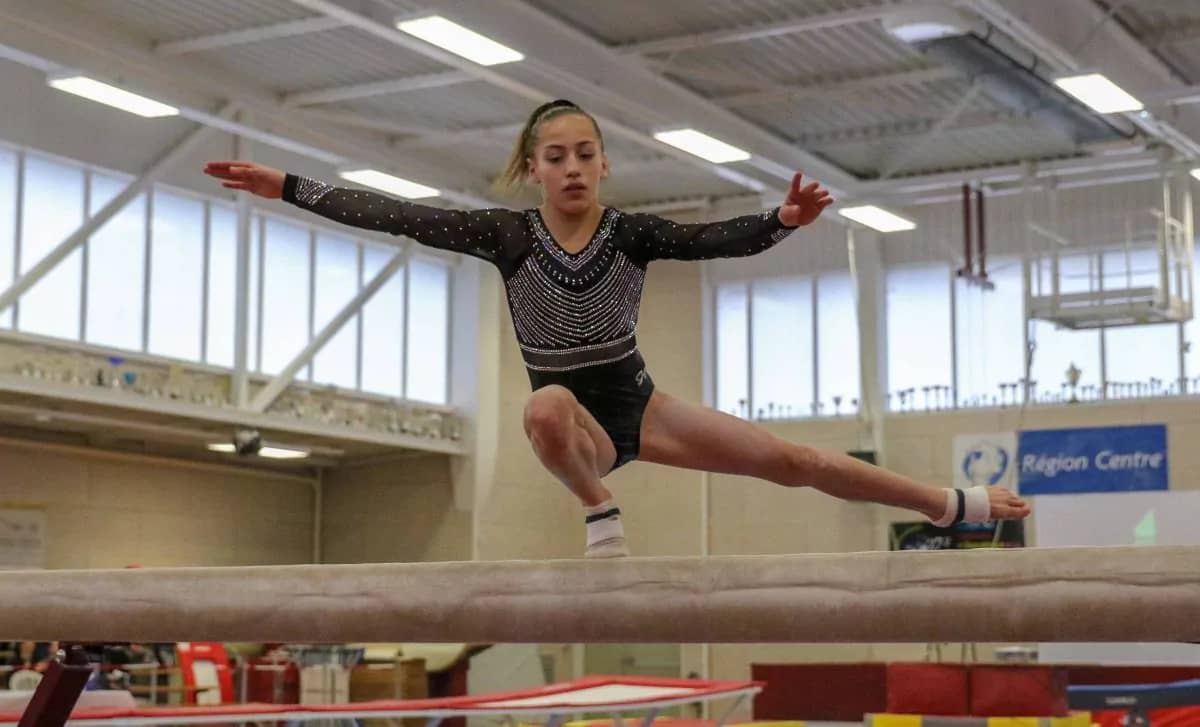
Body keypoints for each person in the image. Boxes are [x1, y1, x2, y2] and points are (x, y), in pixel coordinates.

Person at [205, 98, 1031, 558]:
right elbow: (399, 214)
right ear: (533, 169)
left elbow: (714, 239)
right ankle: (599, 509)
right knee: (541, 409)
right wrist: (289, 186)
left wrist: (779, 219)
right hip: (577, 431)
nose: (570, 167)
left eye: (584, 153)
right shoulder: (506, 234)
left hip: (641, 405)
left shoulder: (630, 231)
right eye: (554, 155)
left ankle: (949, 503)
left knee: (799, 460)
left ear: (604, 165)